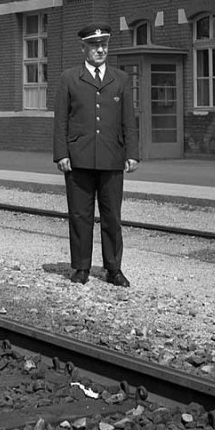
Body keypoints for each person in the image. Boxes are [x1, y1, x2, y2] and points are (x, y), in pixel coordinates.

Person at [53, 22, 139, 287]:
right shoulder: (69, 78)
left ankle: (114, 268)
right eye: (94, 45)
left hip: (112, 157)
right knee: (80, 215)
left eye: (104, 45)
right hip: (78, 158)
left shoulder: (121, 79)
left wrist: (132, 153)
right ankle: (81, 267)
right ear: (83, 48)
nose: (100, 50)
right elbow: (61, 121)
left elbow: (128, 120)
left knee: (112, 216)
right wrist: (61, 154)